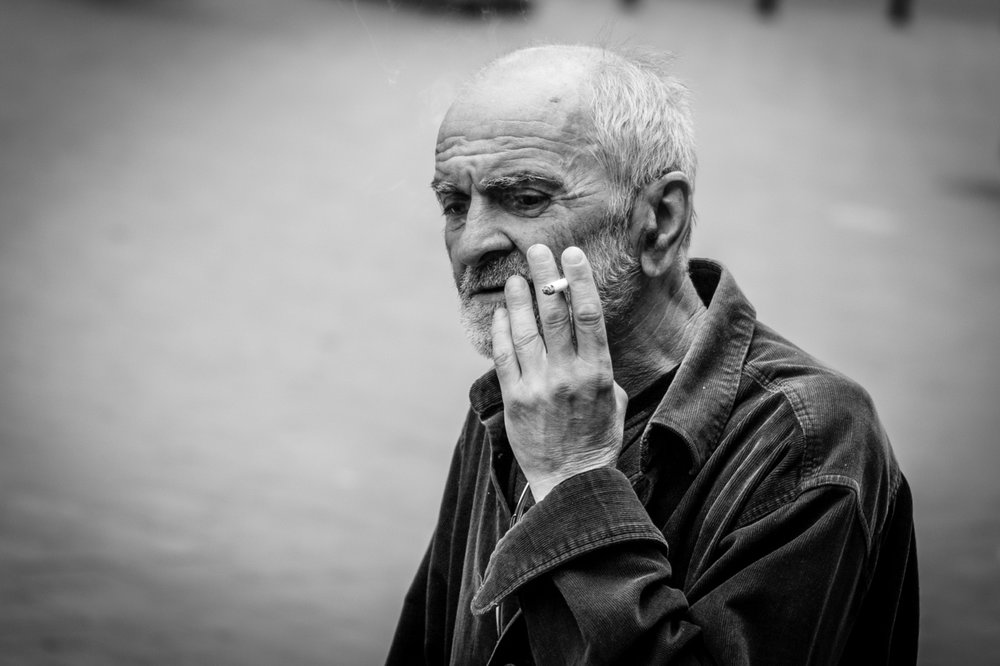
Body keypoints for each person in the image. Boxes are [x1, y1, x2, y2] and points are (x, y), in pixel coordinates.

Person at [387, 44, 918, 665]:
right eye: (454, 204)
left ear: (659, 221)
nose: (471, 242)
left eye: (526, 198)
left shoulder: (808, 439)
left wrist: (573, 480)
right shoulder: (521, 393)